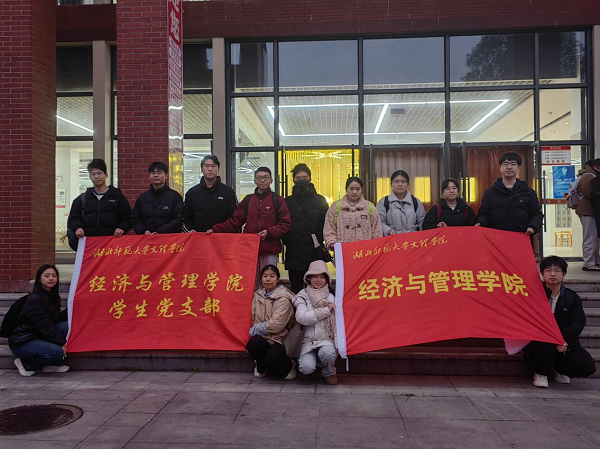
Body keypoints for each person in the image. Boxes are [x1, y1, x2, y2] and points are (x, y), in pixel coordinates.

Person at [208, 167, 291, 287]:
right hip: (250, 249)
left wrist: (269, 232)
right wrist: (215, 229)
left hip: (270, 250)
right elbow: (235, 221)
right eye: (259, 178)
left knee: (268, 282)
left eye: (266, 177)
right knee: (250, 282)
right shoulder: (248, 200)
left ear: (271, 180)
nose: (263, 180)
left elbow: (285, 223)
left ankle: (268, 300)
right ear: (255, 181)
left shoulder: (277, 200)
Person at [525, 256, 596, 388]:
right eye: (548, 270)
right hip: (538, 339)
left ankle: (560, 369)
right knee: (545, 346)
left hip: (563, 338)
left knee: (586, 365)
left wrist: (562, 339)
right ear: (542, 274)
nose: (552, 274)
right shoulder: (533, 295)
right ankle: (540, 373)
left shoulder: (571, 297)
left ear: (564, 274)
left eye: (557, 270)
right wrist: (553, 338)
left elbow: (578, 323)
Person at [9, 265, 69, 376]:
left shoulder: (51, 295)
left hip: (38, 335)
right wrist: (61, 343)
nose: (51, 278)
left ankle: (52, 364)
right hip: (23, 341)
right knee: (57, 352)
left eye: (54, 276)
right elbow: (45, 325)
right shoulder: (35, 299)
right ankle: (26, 364)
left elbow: (55, 319)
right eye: (47, 276)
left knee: (66, 326)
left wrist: (73, 306)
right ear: (39, 279)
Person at [282, 164, 329, 293]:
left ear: (310, 179)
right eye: (298, 178)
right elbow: (283, 224)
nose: (302, 180)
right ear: (293, 180)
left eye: (304, 177)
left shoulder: (320, 201)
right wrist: (288, 241)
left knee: (315, 287)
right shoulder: (287, 202)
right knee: (295, 288)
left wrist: (318, 240)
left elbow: (325, 225)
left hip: (313, 252)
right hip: (294, 252)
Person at [245, 265, 297, 380]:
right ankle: (261, 367)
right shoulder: (258, 295)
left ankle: (290, 366)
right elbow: (254, 319)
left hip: (280, 338)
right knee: (253, 344)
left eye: (272, 276)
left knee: (273, 359)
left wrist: (256, 329)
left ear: (278, 279)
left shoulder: (283, 298)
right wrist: (256, 329)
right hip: (263, 336)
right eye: (265, 276)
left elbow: (276, 325)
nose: (268, 279)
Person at [67, 158, 132, 247]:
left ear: (106, 175)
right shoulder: (82, 199)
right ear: (90, 177)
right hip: (88, 243)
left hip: (111, 243)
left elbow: (128, 217)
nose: (96, 176)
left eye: (99, 173)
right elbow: (73, 218)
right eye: (93, 174)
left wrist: (122, 228)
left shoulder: (117, 197)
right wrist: (78, 227)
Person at [475, 152, 543, 235]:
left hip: (521, 237)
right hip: (496, 237)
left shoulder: (528, 192)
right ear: (500, 167)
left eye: (513, 164)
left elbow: (536, 214)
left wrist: (533, 226)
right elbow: (484, 214)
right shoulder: (490, 193)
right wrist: (480, 223)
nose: (509, 167)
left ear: (519, 167)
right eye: (505, 164)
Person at [293, 260, 338, 385]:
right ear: (308, 278)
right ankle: (307, 366)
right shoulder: (302, 296)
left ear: (327, 279)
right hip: (307, 341)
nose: (318, 280)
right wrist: (325, 311)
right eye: (314, 276)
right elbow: (301, 318)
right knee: (306, 368)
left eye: (322, 277)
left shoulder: (332, 296)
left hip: (326, 339)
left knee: (328, 353)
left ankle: (329, 371)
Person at [323, 177, 382, 250]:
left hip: (365, 252)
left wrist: (375, 246)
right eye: (351, 189)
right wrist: (332, 243)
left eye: (358, 189)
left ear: (362, 190)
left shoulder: (370, 207)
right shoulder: (336, 207)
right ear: (346, 189)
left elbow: (377, 231)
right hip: (342, 251)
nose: (354, 192)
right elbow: (329, 228)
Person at [182, 155, 237, 233]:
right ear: (201, 169)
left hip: (221, 237)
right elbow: (185, 218)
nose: (210, 169)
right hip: (198, 237)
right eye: (206, 166)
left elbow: (234, 219)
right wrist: (190, 230)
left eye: (213, 166)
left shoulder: (228, 192)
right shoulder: (192, 193)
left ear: (218, 169)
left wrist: (218, 230)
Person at [131, 161, 183, 235]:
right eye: (152, 173)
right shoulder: (143, 197)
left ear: (166, 176)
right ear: (149, 176)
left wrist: (160, 232)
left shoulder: (175, 196)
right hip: (147, 238)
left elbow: (178, 219)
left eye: (159, 173)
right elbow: (135, 218)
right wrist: (143, 231)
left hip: (168, 238)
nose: (155, 175)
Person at [376, 170, 426, 235]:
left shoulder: (415, 202)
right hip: (393, 239)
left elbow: (422, 222)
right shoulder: (383, 202)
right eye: (396, 181)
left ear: (408, 184)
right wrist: (388, 231)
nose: (400, 184)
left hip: (413, 239)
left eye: (403, 181)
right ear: (391, 184)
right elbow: (379, 222)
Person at [575, 160, 600, 271]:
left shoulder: (589, 175)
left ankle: (595, 262)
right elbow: (590, 193)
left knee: (593, 237)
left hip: (589, 211)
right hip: (587, 211)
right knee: (590, 237)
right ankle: (589, 263)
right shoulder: (588, 176)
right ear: (596, 167)